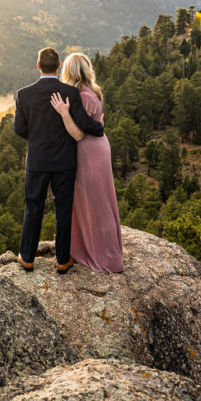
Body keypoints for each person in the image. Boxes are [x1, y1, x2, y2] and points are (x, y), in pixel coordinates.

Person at [13, 47, 105, 273]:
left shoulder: (24, 95)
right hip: (65, 161)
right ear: (58, 66)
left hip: (37, 160)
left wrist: (35, 139)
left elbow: (18, 129)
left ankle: (27, 257)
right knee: (63, 208)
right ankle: (63, 260)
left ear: (38, 66)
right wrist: (99, 127)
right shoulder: (70, 93)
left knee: (33, 207)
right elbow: (84, 123)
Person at [48, 52, 125, 273]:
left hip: (87, 151)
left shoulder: (81, 95)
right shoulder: (95, 92)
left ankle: (102, 255)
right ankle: (104, 250)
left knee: (92, 202)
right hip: (100, 147)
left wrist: (63, 113)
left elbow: (78, 134)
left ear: (69, 72)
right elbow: (99, 122)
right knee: (101, 199)